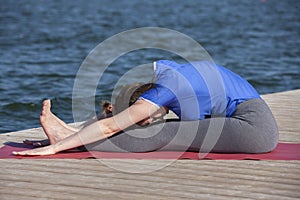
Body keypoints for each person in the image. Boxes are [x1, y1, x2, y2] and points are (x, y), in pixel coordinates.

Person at [14, 60, 279, 156]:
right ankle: (71, 134)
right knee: (168, 128)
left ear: (146, 104)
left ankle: (71, 140)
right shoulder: (171, 74)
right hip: (252, 121)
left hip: (254, 129)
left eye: (143, 119)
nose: (148, 121)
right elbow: (115, 116)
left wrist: (58, 148)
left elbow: (111, 125)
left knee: (162, 133)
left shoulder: (166, 91)